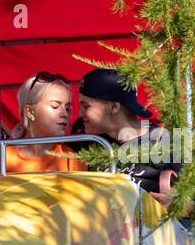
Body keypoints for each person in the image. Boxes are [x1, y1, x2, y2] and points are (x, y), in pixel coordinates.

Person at [77, 68, 180, 206]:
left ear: (114, 107)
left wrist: (179, 206)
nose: (79, 113)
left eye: (86, 106)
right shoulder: (87, 143)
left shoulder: (167, 143)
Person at [0, 72, 87, 175]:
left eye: (67, 108)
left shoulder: (72, 160)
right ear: (29, 111)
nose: (64, 114)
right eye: (55, 106)